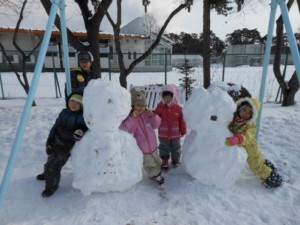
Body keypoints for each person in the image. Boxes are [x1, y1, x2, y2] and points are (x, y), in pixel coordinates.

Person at [36, 90, 88, 197]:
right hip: (55, 141)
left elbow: (84, 129)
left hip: (66, 145)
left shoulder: (82, 116)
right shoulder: (64, 112)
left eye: (77, 102)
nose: (73, 104)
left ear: (82, 105)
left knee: (54, 166)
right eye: (72, 101)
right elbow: (55, 126)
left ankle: (51, 187)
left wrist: (80, 132)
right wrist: (49, 141)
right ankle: (47, 174)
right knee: (50, 160)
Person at [226, 97, 282, 188]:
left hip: (250, 148)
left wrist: (239, 138)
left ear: (252, 116)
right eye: (244, 110)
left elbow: (249, 136)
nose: (245, 114)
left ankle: (272, 178)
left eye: (250, 113)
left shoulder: (250, 125)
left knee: (256, 167)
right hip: (245, 147)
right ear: (239, 108)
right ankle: (268, 165)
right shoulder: (232, 119)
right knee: (260, 159)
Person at [120, 89, 165, 188]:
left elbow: (156, 124)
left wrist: (153, 116)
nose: (140, 108)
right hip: (143, 148)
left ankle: (155, 172)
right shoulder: (131, 117)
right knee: (149, 163)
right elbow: (128, 129)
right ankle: (156, 175)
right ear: (133, 106)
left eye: (142, 105)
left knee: (157, 160)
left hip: (153, 145)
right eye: (137, 105)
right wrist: (132, 117)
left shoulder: (147, 115)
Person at [154, 84, 187, 170]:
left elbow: (182, 121)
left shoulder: (178, 108)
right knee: (164, 148)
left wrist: (183, 130)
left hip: (175, 134)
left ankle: (175, 161)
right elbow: (155, 118)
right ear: (163, 97)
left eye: (169, 97)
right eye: (165, 97)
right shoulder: (159, 108)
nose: (167, 99)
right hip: (163, 134)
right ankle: (164, 161)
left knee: (176, 148)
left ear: (173, 97)